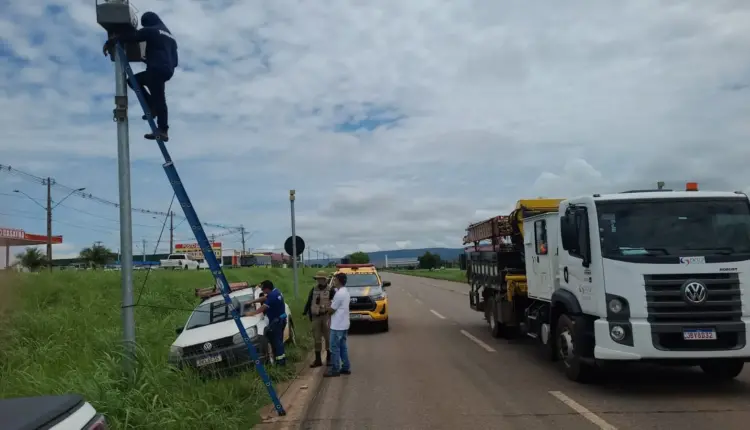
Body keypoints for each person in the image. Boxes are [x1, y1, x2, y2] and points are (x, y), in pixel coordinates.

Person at [102, 11, 178, 142]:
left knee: (158, 98)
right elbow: (174, 61)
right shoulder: (170, 37)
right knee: (136, 82)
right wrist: (151, 60)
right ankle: (153, 107)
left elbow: (133, 36)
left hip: (155, 70)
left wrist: (111, 41)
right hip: (167, 71)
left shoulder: (152, 30)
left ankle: (162, 129)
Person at [244, 280, 288, 366]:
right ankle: (281, 359)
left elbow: (262, 308)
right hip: (281, 319)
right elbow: (264, 298)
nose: (262, 291)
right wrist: (252, 301)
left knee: (277, 342)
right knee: (279, 341)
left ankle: (281, 362)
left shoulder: (272, 296)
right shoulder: (276, 292)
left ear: (267, 289)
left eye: (263, 289)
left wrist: (251, 313)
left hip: (277, 321)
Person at [303, 271, 335, 368]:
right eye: (317, 279)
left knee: (328, 338)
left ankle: (329, 359)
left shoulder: (331, 290)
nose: (319, 280)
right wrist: (305, 312)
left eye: (320, 279)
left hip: (326, 316)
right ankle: (318, 360)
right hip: (315, 317)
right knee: (317, 339)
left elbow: (335, 303)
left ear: (325, 280)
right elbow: (309, 301)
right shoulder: (314, 289)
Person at [325, 273, 351, 377]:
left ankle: (335, 369)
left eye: (335, 280)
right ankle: (345, 367)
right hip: (344, 324)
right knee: (343, 347)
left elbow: (332, 310)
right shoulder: (345, 292)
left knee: (334, 348)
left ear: (339, 281)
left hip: (337, 325)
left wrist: (326, 307)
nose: (334, 282)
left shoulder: (339, 294)